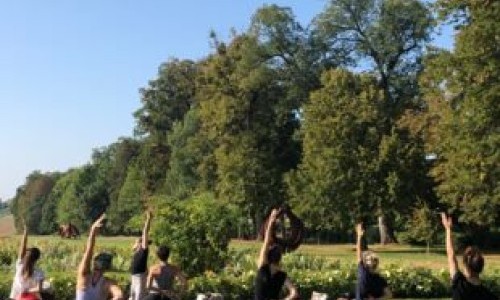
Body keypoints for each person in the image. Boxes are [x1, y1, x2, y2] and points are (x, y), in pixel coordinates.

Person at [441, 213, 498, 300]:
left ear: (465, 266)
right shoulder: (489, 296)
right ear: (481, 267)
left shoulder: (460, 284)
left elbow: (451, 255)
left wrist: (448, 229)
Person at [76, 213, 124, 300]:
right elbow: (119, 295)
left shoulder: (84, 275)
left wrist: (93, 231)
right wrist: (92, 232)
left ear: (94, 263)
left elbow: (88, 251)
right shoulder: (106, 282)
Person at [338, 223, 391, 300]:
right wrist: (359, 236)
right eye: (366, 259)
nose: (367, 261)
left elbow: (389, 294)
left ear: (375, 262)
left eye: (369, 259)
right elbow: (359, 252)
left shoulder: (379, 279)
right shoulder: (362, 269)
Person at [254, 208, 298, 300]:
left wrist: (271, 220)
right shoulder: (282, 275)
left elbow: (266, 240)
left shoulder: (262, 266)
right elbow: (294, 293)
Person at [9, 221, 45, 300]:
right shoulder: (39, 272)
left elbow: (22, 247)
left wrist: (25, 233)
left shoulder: (20, 265)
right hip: (32, 297)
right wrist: (27, 290)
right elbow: (39, 289)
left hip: (17, 297)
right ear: (37, 258)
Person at [129, 211, 152, 300]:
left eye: (136, 241)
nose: (134, 243)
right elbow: (143, 265)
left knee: (138, 297)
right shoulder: (137, 253)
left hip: (139, 278)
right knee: (132, 297)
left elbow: (145, 232)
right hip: (134, 277)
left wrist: (148, 219)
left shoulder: (143, 250)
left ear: (140, 243)